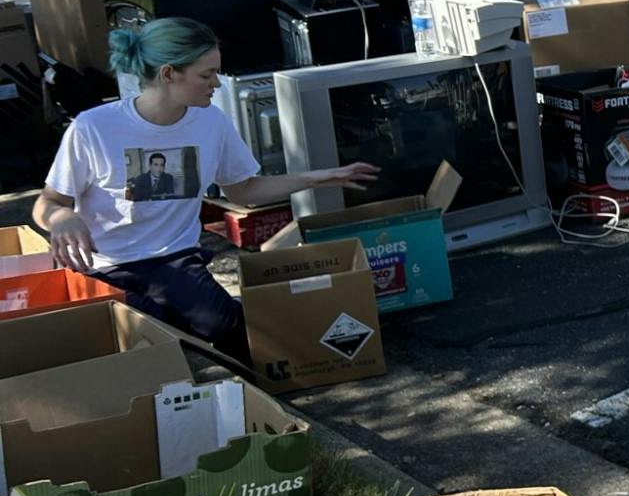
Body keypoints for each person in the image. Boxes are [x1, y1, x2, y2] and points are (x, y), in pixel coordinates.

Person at [33, 18, 378, 362]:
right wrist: (61, 217)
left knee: (230, 332)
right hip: (103, 266)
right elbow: (48, 202)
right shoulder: (93, 127)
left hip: (174, 260)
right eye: (206, 75)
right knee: (150, 345)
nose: (217, 84)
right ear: (169, 74)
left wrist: (317, 178)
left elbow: (242, 191)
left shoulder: (211, 121)